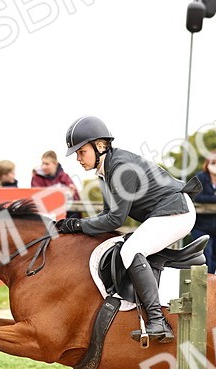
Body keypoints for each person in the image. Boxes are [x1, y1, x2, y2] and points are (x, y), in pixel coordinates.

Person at [53, 115, 198, 343]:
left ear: (99, 146)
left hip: (177, 213)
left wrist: (79, 224)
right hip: (166, 213)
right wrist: (76, 227)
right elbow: (106, 214)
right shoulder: (105, 170)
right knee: (124, 246)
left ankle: (157, 320)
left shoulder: (121, 168)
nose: (78, 159)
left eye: (81, 152)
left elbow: (114, 220)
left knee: (130, 251)